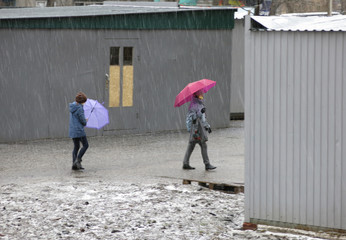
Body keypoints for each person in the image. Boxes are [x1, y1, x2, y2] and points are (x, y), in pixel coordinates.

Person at [183, 90, 216, 171]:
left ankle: (185, 163)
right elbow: (193, 117)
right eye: (200, 93)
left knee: (191, 145)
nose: (202, 94)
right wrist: (200, 113)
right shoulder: (194, 105)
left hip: (198, 127)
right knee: (203, 144)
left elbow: (203, 118)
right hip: (196, 128)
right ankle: (207, 164)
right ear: (196, 94)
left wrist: (207, 126)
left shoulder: (199, 103)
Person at [69, 92, 88, 170]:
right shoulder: (79, 108)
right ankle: (78, 160)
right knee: (86, 145)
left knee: (76, 147)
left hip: (73, 130)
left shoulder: (73, 106)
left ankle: (74, 164)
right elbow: (82, 121)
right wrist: (86, 120)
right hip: (79, 130)